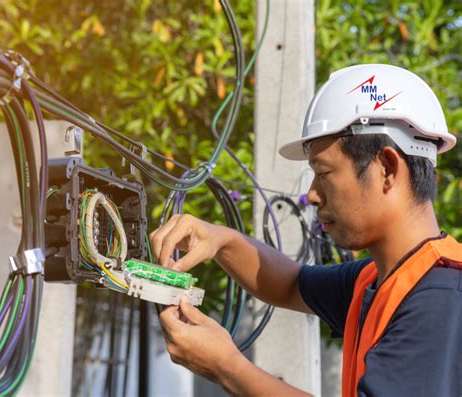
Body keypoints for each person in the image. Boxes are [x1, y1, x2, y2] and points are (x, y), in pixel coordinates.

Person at [149, 64, 461, 396]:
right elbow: (289, 284)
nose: (312, 194)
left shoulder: (440, 300)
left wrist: (228, 367)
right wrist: (220, 240)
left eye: (323, 172)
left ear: (386, 168)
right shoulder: (379, 280)